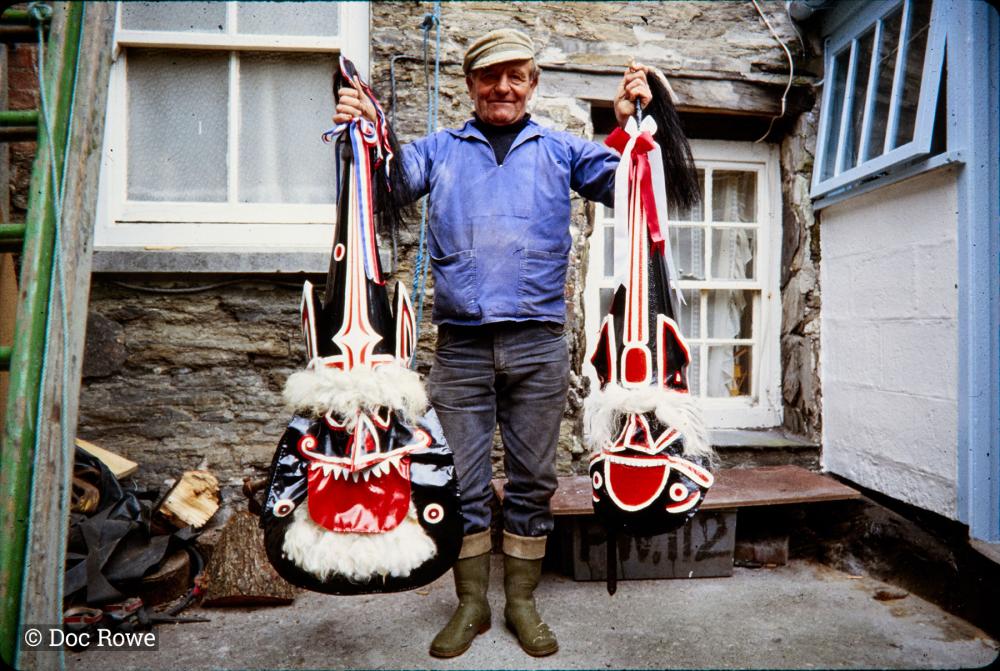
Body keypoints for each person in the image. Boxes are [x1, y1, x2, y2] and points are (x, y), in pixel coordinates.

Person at [333, 28, 651, 658]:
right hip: (462, 349)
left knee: (533, 480)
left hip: (538, 345)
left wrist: (630, 123)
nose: (502, 87)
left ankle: (523, 602)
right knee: (464, 482)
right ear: (470, 84)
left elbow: (628, 184)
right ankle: (473, 604)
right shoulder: (442, 151)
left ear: (532, 84)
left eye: (516, 76)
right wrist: (366, 128)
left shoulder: (560, 150)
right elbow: (387, 185)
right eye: (489, 76)